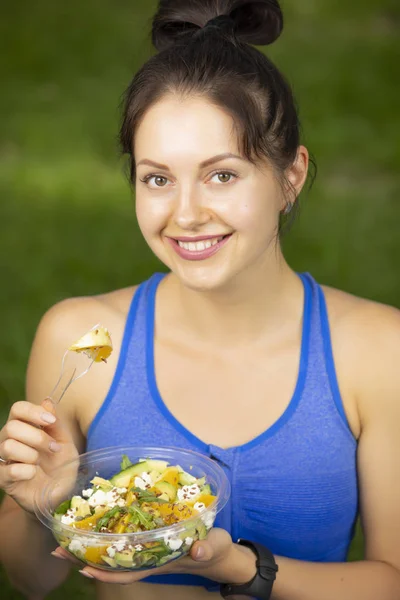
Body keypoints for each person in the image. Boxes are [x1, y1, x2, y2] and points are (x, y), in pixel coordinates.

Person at [1, 0, 400, 599]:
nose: (185, 215)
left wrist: (239, 567)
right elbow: (31, 580)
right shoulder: (83, 342)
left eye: (222, 175)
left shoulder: (376, 351)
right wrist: (39, 505)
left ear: (290, 176)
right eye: (157, 178)